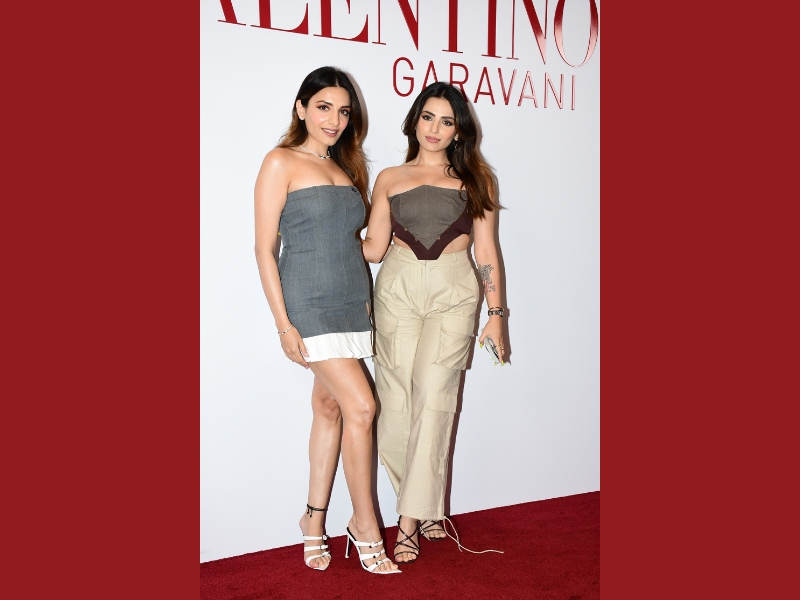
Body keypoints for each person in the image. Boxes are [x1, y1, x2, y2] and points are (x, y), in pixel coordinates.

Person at [254, 67, 400, 575]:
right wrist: (283, 324)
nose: (334, 120)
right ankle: (365, 523)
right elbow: (265, 249)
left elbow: (357, 246)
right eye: (323, 107)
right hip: (309, 305)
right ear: (301, 108)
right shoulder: (280, 161)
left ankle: (312, 520)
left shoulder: (347, 168)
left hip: (351, 303)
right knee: (363, 407)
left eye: (343, 111)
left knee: (331, 408)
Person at [361, 82, 506, 564]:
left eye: (447, 121)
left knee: (435, 399)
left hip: (453, 292)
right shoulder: (389, 178)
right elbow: (374, 249)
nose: (435, 129)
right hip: (397, 288)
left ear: (459, 130)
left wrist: (497, 316)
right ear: (414, 121)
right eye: (428, 117)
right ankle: (425, 507)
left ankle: (408, 521)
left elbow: (486, 251)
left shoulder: (477, 180)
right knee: (394, 407)